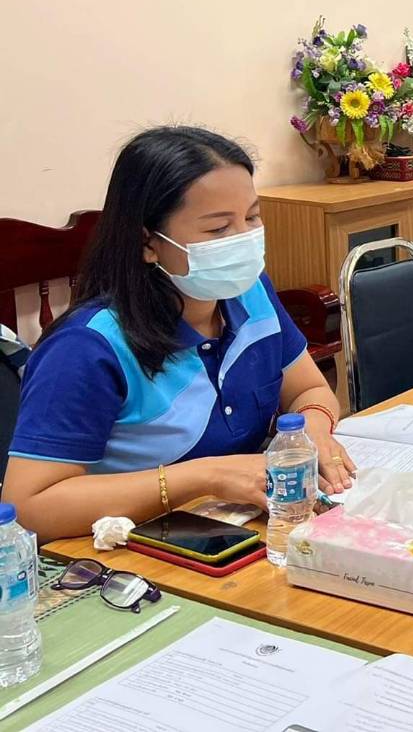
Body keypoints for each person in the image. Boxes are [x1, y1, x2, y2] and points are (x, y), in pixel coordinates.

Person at [3, 127, 356, 544]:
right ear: (148, 242)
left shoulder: (249, 292)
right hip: (132, 554)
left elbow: (308, 390)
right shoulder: (88, 347)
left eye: (252, 217)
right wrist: (202, 477)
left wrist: (311, 432)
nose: (243, 240)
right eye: (217, 229)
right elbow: (28, 507)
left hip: (237, 531)